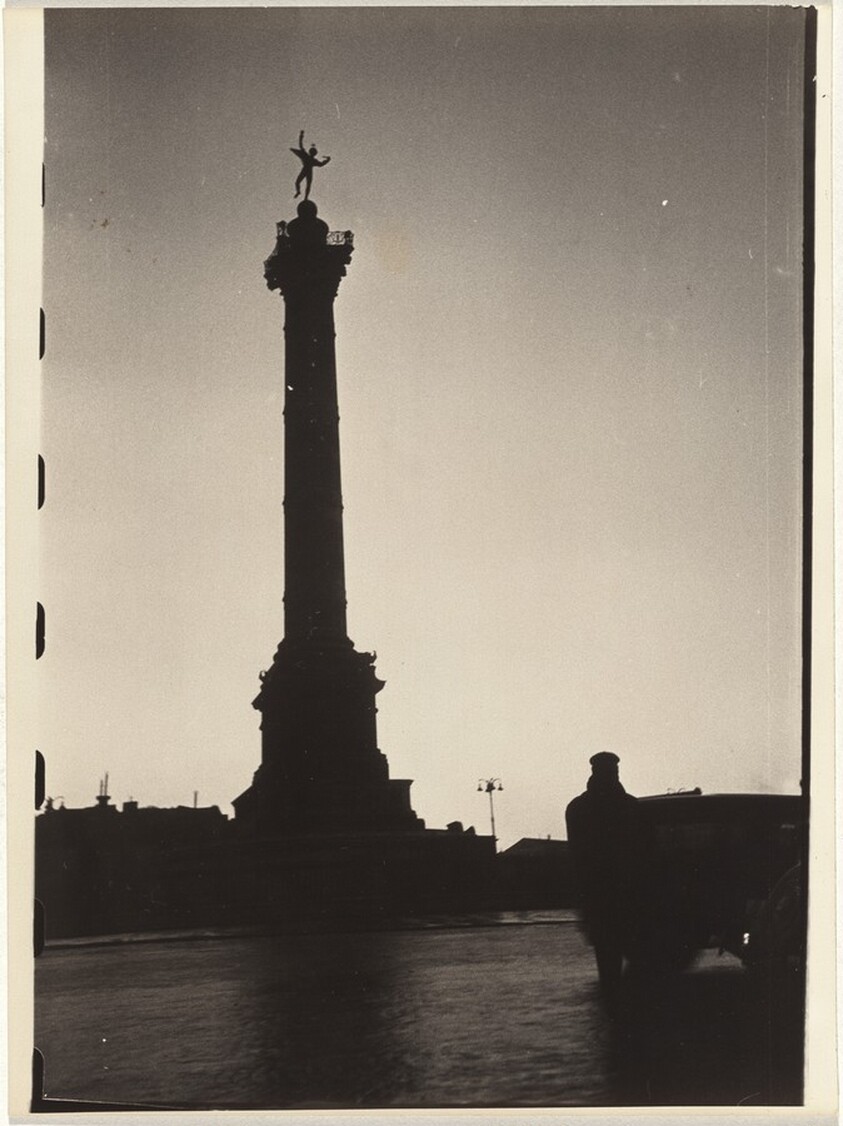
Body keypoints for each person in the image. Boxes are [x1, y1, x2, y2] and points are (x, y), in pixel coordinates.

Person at [565, 753, 643, 1002]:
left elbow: (576, 857)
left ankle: (615, 1006)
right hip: (627, 893)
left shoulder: (577, 808)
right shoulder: (630, 806)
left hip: (597, 895)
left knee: (608, 960)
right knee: (636, 958)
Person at [290, 130, 331, 201]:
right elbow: (321, 164)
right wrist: (328, 160)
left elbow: (321, 164)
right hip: (307, 170)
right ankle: (300, 193)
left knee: (304, 184)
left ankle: (304, 196)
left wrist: (328, 160)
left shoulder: (311, 159)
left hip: (307, 170)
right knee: (302, 183)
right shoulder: (309, 158)